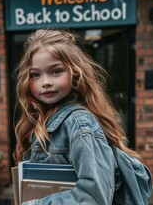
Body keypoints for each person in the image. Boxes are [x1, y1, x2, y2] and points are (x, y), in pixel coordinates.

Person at [13, 29, 139, 205]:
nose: (45, 82)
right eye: (35, 74)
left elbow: (94, 196)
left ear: (75, 73)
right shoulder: (43, 119)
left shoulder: (79, 123)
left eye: (56, 71)